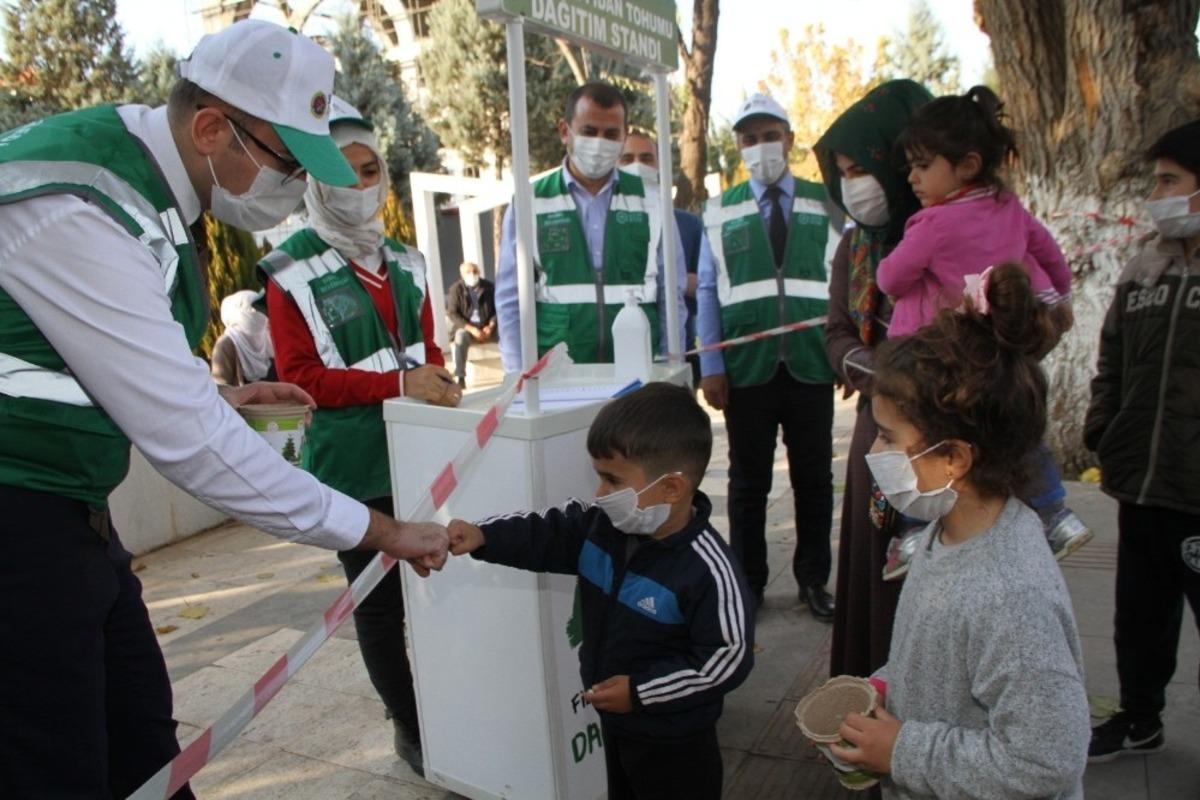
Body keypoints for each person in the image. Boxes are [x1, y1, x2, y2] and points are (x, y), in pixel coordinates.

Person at [0, 21, 448, 799]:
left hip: (67, 516)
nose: (294, 189)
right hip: (20, 523)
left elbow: (98, 363)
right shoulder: (83, 206)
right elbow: (192, 446)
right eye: (286, 163)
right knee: (57, 764)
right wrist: (380, 530)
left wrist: (218, 395)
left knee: (144, 743)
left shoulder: (146, 188)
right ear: (212, 129)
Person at [830, 263, 1090, 799]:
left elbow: (1048, 759)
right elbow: (939, 657)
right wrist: (885, 685)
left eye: (887, 437)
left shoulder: (1011, 595)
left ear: (953, 458)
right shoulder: (945, 532)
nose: (874, 451)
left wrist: (902, 751)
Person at [260, 96, 459, 775]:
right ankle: (410, 726)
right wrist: (400, 384)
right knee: (378, 609)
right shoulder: (289, 268)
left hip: (419, 454)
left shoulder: (408, 260)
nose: (356, 186)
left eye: (369, 171)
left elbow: (427, 353)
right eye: (339, 173)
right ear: (313, 179)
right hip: (352, 465)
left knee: (436, 589)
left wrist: (439, 382)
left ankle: (447, 709)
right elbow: (300, 379)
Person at [447, 382, 753, 799]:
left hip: (676, 740)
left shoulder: (707, 570)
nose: (600, 494)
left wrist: (641, 693)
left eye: (612, 480)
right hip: (618, 723)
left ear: (671, 488)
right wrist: (484, 536)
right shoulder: (599, 526)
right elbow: (546, 532)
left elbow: (726, 658)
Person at [877, 85, 1091, 577]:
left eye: (922, 166)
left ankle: (912, 532)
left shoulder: (933, 224)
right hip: (1000, 349)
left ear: (967, 165)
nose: (911, 177)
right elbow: (1051, 255)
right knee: (1017, 433)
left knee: (920, 440)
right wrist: (1060, 295)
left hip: (939, 360)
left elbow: (890, 278)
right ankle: (1057, 516)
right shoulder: (1008, 207)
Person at [697, 92, 840, 619]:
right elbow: (707, 290)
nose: (761, 147)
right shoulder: (720, 210)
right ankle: (748, 583)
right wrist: (711, 364)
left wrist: (845, 351)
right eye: (750, 139)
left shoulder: (827, 202)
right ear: (738, 146)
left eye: (770, 136)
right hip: (746, 370)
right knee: (748, 483)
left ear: (790, 139)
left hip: (811, 363)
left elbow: (846, 279)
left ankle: (813, 580)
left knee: (814, 480)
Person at [1083, 119, 1200, 763]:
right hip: (1140, 482)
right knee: (1140, 613)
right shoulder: (1143, 267)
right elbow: (1112, 361)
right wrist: (1104, 429)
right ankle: (1139, 717)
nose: (1156, 195)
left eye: (1169, 181)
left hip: (1194, 486)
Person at [813, 79, 933, 676]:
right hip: (878, 432)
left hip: (950, 436)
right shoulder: (854, 247)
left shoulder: (953, 231)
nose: (852, 185)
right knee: (881, 578)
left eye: (861, 168)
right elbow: (836, 334)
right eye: (842, 173)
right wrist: (881, 375)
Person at [495, 82, 686, 372]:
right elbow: (511, 300)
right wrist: (517, 374)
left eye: (611, 134)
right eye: (589, 131)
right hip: (558, 374)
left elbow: (671, 294)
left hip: (638, 370)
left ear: (624, 136)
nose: (599, 143)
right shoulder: (530, 201)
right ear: (565, 131)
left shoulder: (652, 201)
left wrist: (671, 366)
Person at [618, 128, 706, 385]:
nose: (638, 165)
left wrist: (679, 281)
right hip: (624, 348)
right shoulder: (610, 223)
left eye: (646, 158)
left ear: (659, 164)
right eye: (627, 158)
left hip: (677, 347)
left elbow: (708, 284)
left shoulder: (688, 224)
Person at [446, 260, 496, 388]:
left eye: (475, 271)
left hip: (488, 327)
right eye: (468, 272)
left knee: (508, 333)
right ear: (462, 275)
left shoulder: (489, 287)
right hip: (468, 328)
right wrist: (471, 329)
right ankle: (460, 377)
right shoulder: (455, 289)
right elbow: (452, 313)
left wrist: (491, 325)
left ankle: (515, 370)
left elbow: (498, 310)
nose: (472, 274)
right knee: (460, 337)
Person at [211, 289, 275, 386]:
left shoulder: (267, 337)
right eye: (252, 309)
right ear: (239, 315)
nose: (259, 314)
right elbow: (221, 388)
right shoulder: (225, 346)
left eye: (259, 309)